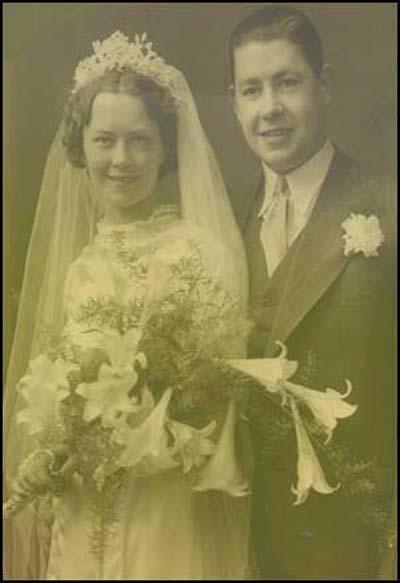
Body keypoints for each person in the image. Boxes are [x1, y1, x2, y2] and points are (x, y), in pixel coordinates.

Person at [3, 31, 253, 580]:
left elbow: (214, 401)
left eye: (139, 140)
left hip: (164, 512)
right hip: (80, 508)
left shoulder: (199, 253)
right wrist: (51, 450)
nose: (122, 159)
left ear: (165, 146)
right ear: (81, 145)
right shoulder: (77, 268)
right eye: (105, 140)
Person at [228, 5, 396, 580]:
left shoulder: (386, 207)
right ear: (234, 102)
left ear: (324, 86)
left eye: (288, 82)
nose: (269, 108)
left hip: (358, 549)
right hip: (247, 547)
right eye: (252, 89)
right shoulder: (225, 223)